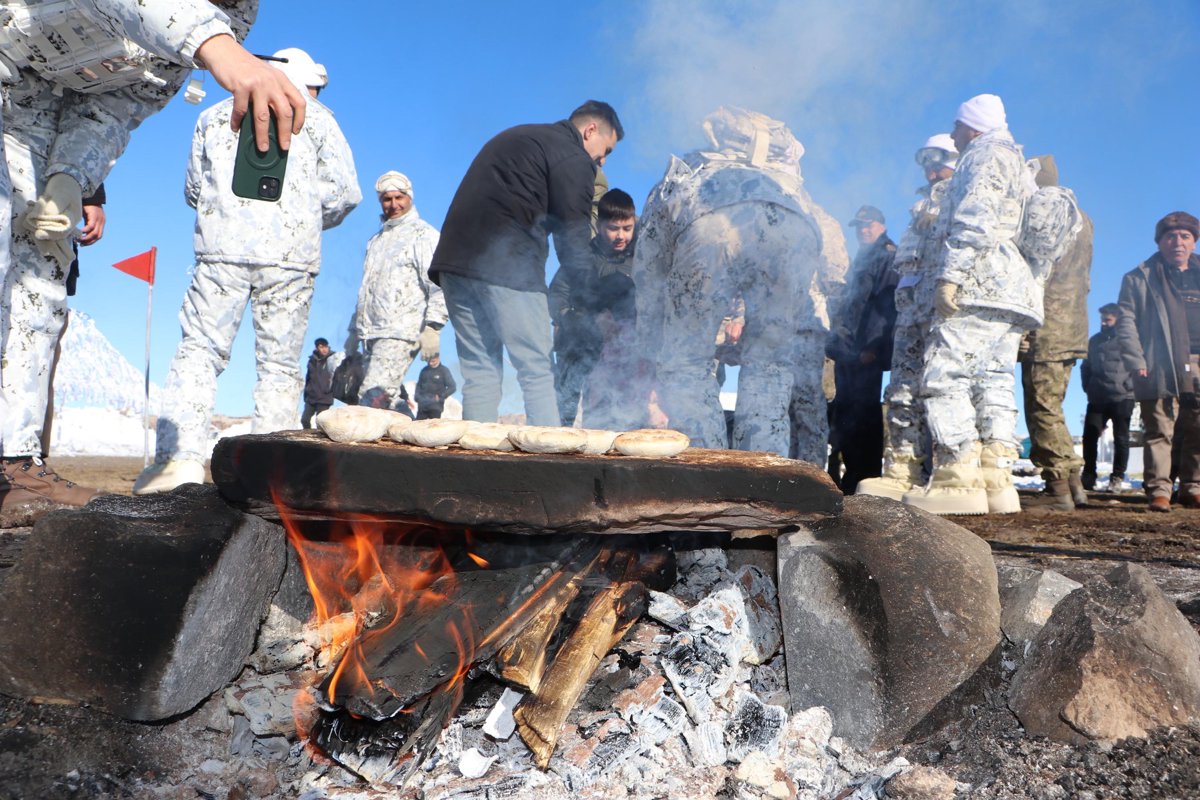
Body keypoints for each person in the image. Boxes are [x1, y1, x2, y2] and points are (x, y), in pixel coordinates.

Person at [0, 1, 305, 514]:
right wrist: (216, 45)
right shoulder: (215, 33)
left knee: (42, 275)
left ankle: (13, 465)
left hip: (36, 115)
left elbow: (117, 102)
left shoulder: (233, 16)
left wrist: (71, 175)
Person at [134, 47, 360, 495]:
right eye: (314, 86)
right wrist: (301, 214)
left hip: (222, 251)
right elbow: (344, 194)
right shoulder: (318, 119)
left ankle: (176, 464)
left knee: (199, 351)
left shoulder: (216, 115)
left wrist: (230, 212)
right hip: (290, 260)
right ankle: (268, 473)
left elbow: (193, 188)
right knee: (278, 366)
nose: (315, 95)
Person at [635, 107, 844, 459]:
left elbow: (648, 265)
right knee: (771, 365)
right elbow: (833, 258)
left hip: (710, 223)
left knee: (686, 361)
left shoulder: (693, 171)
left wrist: (648, 341)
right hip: (797, 231)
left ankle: (708, 468)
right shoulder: (787, 184)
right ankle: (762, 471)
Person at [429, 101, 623, 426]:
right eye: (606, 150)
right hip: (507, 267)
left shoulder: (520, 136)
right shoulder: (572, 155)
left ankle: (476, 454)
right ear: (591, 130)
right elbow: (572, 235)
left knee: (481, 370)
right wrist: (593, 301)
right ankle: (548, 453)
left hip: (454, 266)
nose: (602, 160)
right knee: (538, 369)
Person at [903, 94, 1039, 515]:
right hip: (1012, 290)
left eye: (958, 127)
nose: (955, 135)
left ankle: (957, 477)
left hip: (979, 283)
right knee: (993, 381)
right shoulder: (1018, 163)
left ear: (973, 127)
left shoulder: (983, 156)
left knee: (946, 372)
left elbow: (975, 217)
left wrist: (952, 274)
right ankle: (997, 478)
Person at [858, 134, 957, 500]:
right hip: (913, 312)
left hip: (946, 311)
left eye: (939, 164)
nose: (931, 172)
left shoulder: (966, 197)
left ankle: (948, 473)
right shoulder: (922, 207)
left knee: (944, 387)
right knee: (902, 391)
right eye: (926, 165)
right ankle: (903, 468)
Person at [1018, 155, 1092, 511]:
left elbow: (1036, 271)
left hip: (1046, 326)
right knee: (1054, 405)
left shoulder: (1045, 209)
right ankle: (1073, 483)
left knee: (1041, 406)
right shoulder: (1082, 217)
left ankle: (1057, 488)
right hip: (1072, 325)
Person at [1114, 211, 1200, 512]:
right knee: (1160, 427)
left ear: (1193, 241)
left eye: (1185, 236)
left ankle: (1193, 487)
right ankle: (1159, 490)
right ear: (1160, 241)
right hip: (1158, 361)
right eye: (1170, 236)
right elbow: (1126, 321)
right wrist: (1135, 358)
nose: (1178, 242)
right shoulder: (1139, 277)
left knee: (1198, 426)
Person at [347, 171, 447, 411]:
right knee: (387, 400)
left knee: (372, 397)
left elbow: (439, 282)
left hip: (401, 331)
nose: (393, 204)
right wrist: (354, 331)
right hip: (371, 333)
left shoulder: (423, 235)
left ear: (409, 197)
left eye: (399, 197)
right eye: (387, 199)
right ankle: (405, 427)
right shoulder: (376, 241)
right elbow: (368, 290)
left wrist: (433, 327)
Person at [549, 188, 637, 426]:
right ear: (599, 226)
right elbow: (556, 296)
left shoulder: (642, 258)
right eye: (613, 228)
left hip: (622, 351)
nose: (621, 236)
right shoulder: (582, 258)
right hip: (578, 346)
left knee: (615, 412)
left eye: (627, 228)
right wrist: (582, 321)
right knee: (565, 407)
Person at [826, 205, 897, 493]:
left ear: (882, 226)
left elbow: (888, 308)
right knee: (846, 412)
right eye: (859, 226)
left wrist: (876, 348)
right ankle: (851, 475)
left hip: (867, 351)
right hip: (848, 350)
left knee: (865, 415)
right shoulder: (861, 257)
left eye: (868, 225)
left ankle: (866, 476)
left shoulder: (888, 255)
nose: (863, 231)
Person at [1081, 304, 1135, 492]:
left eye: (1108, 319)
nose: (1103, 322)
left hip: (1123, 397)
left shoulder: (1128, 341)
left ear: (1117, 320)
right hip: (1097, 397)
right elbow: (1086, 365)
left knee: (1121, 439)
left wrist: (1129, 386)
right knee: (1089, 436)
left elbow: (1137, 363)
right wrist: (1088, 387)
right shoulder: (1094, 341)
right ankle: (1088, 475)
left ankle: (1117, 477)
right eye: (1102, 319)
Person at [302, 338, 335, 428]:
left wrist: (330, 391)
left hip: (324, 398)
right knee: (304, 420)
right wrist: (306, 394)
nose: (324, 349)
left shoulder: (332, 359)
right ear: (317, 348)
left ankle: (319, 437)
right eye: (321, 347)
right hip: (311, 397)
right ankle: (307, 436)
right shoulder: (311, 361)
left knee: (320, 423)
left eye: (326, 347)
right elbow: (308, 379)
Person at [414, 353, 457, 420]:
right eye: (429, 361)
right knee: (417, 425)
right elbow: (419, 385)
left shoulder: (444, 371)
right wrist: (417, 397)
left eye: (433, 361)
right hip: (422, 406)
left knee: (434, 425)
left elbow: (452, 387)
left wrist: (440, 396)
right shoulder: (424, 371)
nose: (430, 363)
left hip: (435, 407)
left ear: (438, 359)